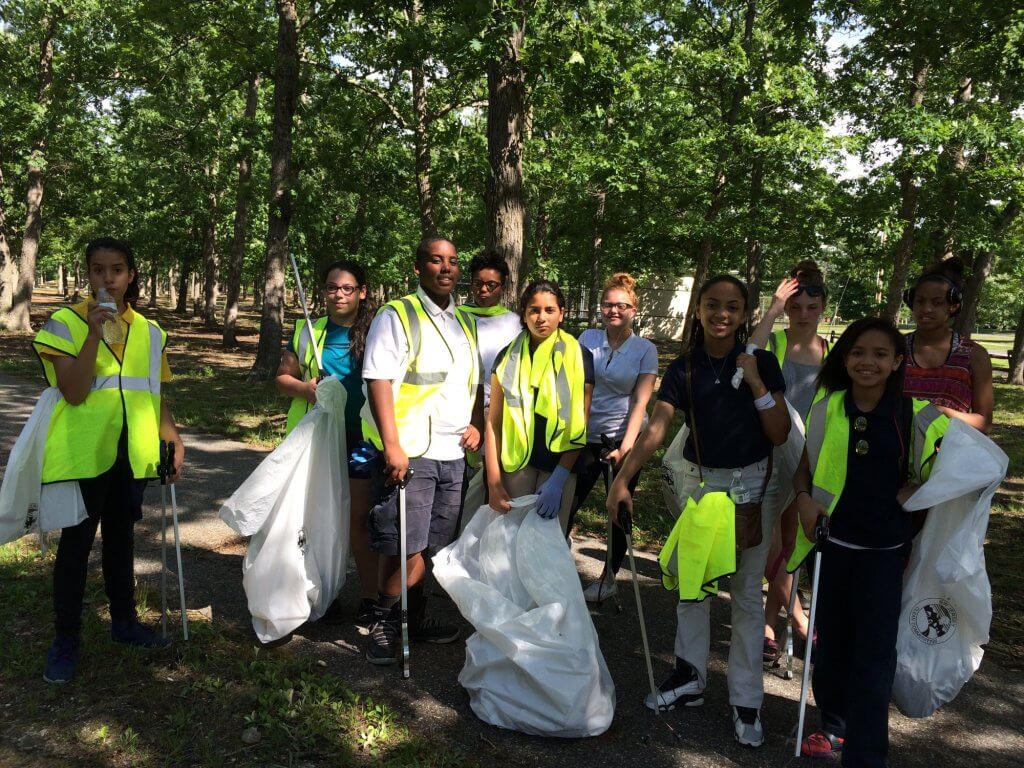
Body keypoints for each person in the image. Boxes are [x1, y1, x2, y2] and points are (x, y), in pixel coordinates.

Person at [607, 274, 790, 748]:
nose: (721, 314)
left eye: (732, 306)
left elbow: (779, 432)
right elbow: (657, 428)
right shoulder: (684, 367)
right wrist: (624, 479)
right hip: (703, 492)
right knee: (694, 587)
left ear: (745, 313)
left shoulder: (762, 361)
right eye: (712, 304)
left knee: (747, 596)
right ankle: (689, 678)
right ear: (698, 310)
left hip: (752, 493)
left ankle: (746, 699)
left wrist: (754, 382)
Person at [791, 317, 948, 765]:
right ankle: (834, 727)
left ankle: (866, 752)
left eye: (881, 354)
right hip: (832, 547)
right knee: (832, 644)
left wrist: (918, 492)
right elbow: (805, 465)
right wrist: (803, 498)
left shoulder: (917, 415)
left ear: (898, 361)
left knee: (875, 655)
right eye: (858, 352)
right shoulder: (827, 407)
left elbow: (959, 476)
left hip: (884, 555)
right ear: (845, 357)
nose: (867, 362)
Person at [33, 237, 185, 684]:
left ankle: (124, 623)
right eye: (98, 270)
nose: (108, 279)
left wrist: (172, 437)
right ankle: (66, 639)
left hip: (131, 452)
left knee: (121, 538)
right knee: (76, 546)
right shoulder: (65, 323)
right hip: (82, 454)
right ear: (88, 274)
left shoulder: (151, 331)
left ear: (131, 275)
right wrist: (94, 335)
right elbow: (75, 390)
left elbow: (153, 394)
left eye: (117, 270)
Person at [360, 236, 483, 665]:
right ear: (418, 268)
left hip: (453, 450)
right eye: (436, 260)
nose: (446, 268)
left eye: (452, 261)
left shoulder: (465, 321)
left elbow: (465, 383)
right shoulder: (397, 315)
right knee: (403, 542)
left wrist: (473, 425)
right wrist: (393, 445)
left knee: (432, 544)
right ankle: (384, 621)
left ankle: (415, 616)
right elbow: (377, 378)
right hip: (411, 449)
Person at [274, 259, 378, 628]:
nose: (339, 294)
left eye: (347, 288)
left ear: (362, 292)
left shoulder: (377, 331)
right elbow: (282, 378)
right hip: (316, 436)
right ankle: (321, 593)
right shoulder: (307, 330)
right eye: (332, 287)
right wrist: (306, 388)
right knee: (315, 518)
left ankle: (370, 597)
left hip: (360, 438)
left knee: (358, 519)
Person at [748, 260, 830, 662]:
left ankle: (768, 624)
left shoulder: (830, 351)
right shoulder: (776, 342)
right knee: (770, 547)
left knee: (792, 548)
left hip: (808, 458)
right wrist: (773, 308)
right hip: (770, 451)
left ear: (822, 310)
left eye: (810, 307)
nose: (802, 314)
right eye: (794, 306)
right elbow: (749, 351)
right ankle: (800, 620)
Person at [570, 273, 659, 603]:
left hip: (623, 438)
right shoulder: (587, 337)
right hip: (584, 437)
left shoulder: (645, 349)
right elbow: (576, 384)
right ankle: (556, 570)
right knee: (567, 504)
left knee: (617, 508)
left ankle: (609, 578)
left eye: (621, 305)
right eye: (608, 304)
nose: (613, 310)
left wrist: (625, 447)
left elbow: (640, 401)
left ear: (634, 309)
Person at [485, 280, 594, 535]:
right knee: (507, 544)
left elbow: (581, 422)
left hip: (558, 467)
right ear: (524, 314)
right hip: (516, 464)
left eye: (549, 310)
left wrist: (559, 479)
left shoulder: (580, 355)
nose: (541, 317)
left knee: (545, 549)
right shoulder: (506, 357)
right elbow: (494, 422)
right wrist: (493, 481)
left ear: (562, 313)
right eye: (534, 310)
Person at [456, 250, 524, 522]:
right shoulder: (455, 317)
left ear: (503, 286)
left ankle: (478, 541)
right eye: (477, 283)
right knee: (456, 482)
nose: (483, 290)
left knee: (490, 479)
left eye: (491, 285)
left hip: (496, 412)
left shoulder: (514, 324)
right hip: (456, 410)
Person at [902, 256, 993, 433]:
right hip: (895, 453)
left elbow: (985, 423)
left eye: (937, 302)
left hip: (947, 456)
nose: (926, 308)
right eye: (920, 301)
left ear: (953, 306)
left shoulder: (974, 355)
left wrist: (940, 412)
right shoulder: (894, 348)